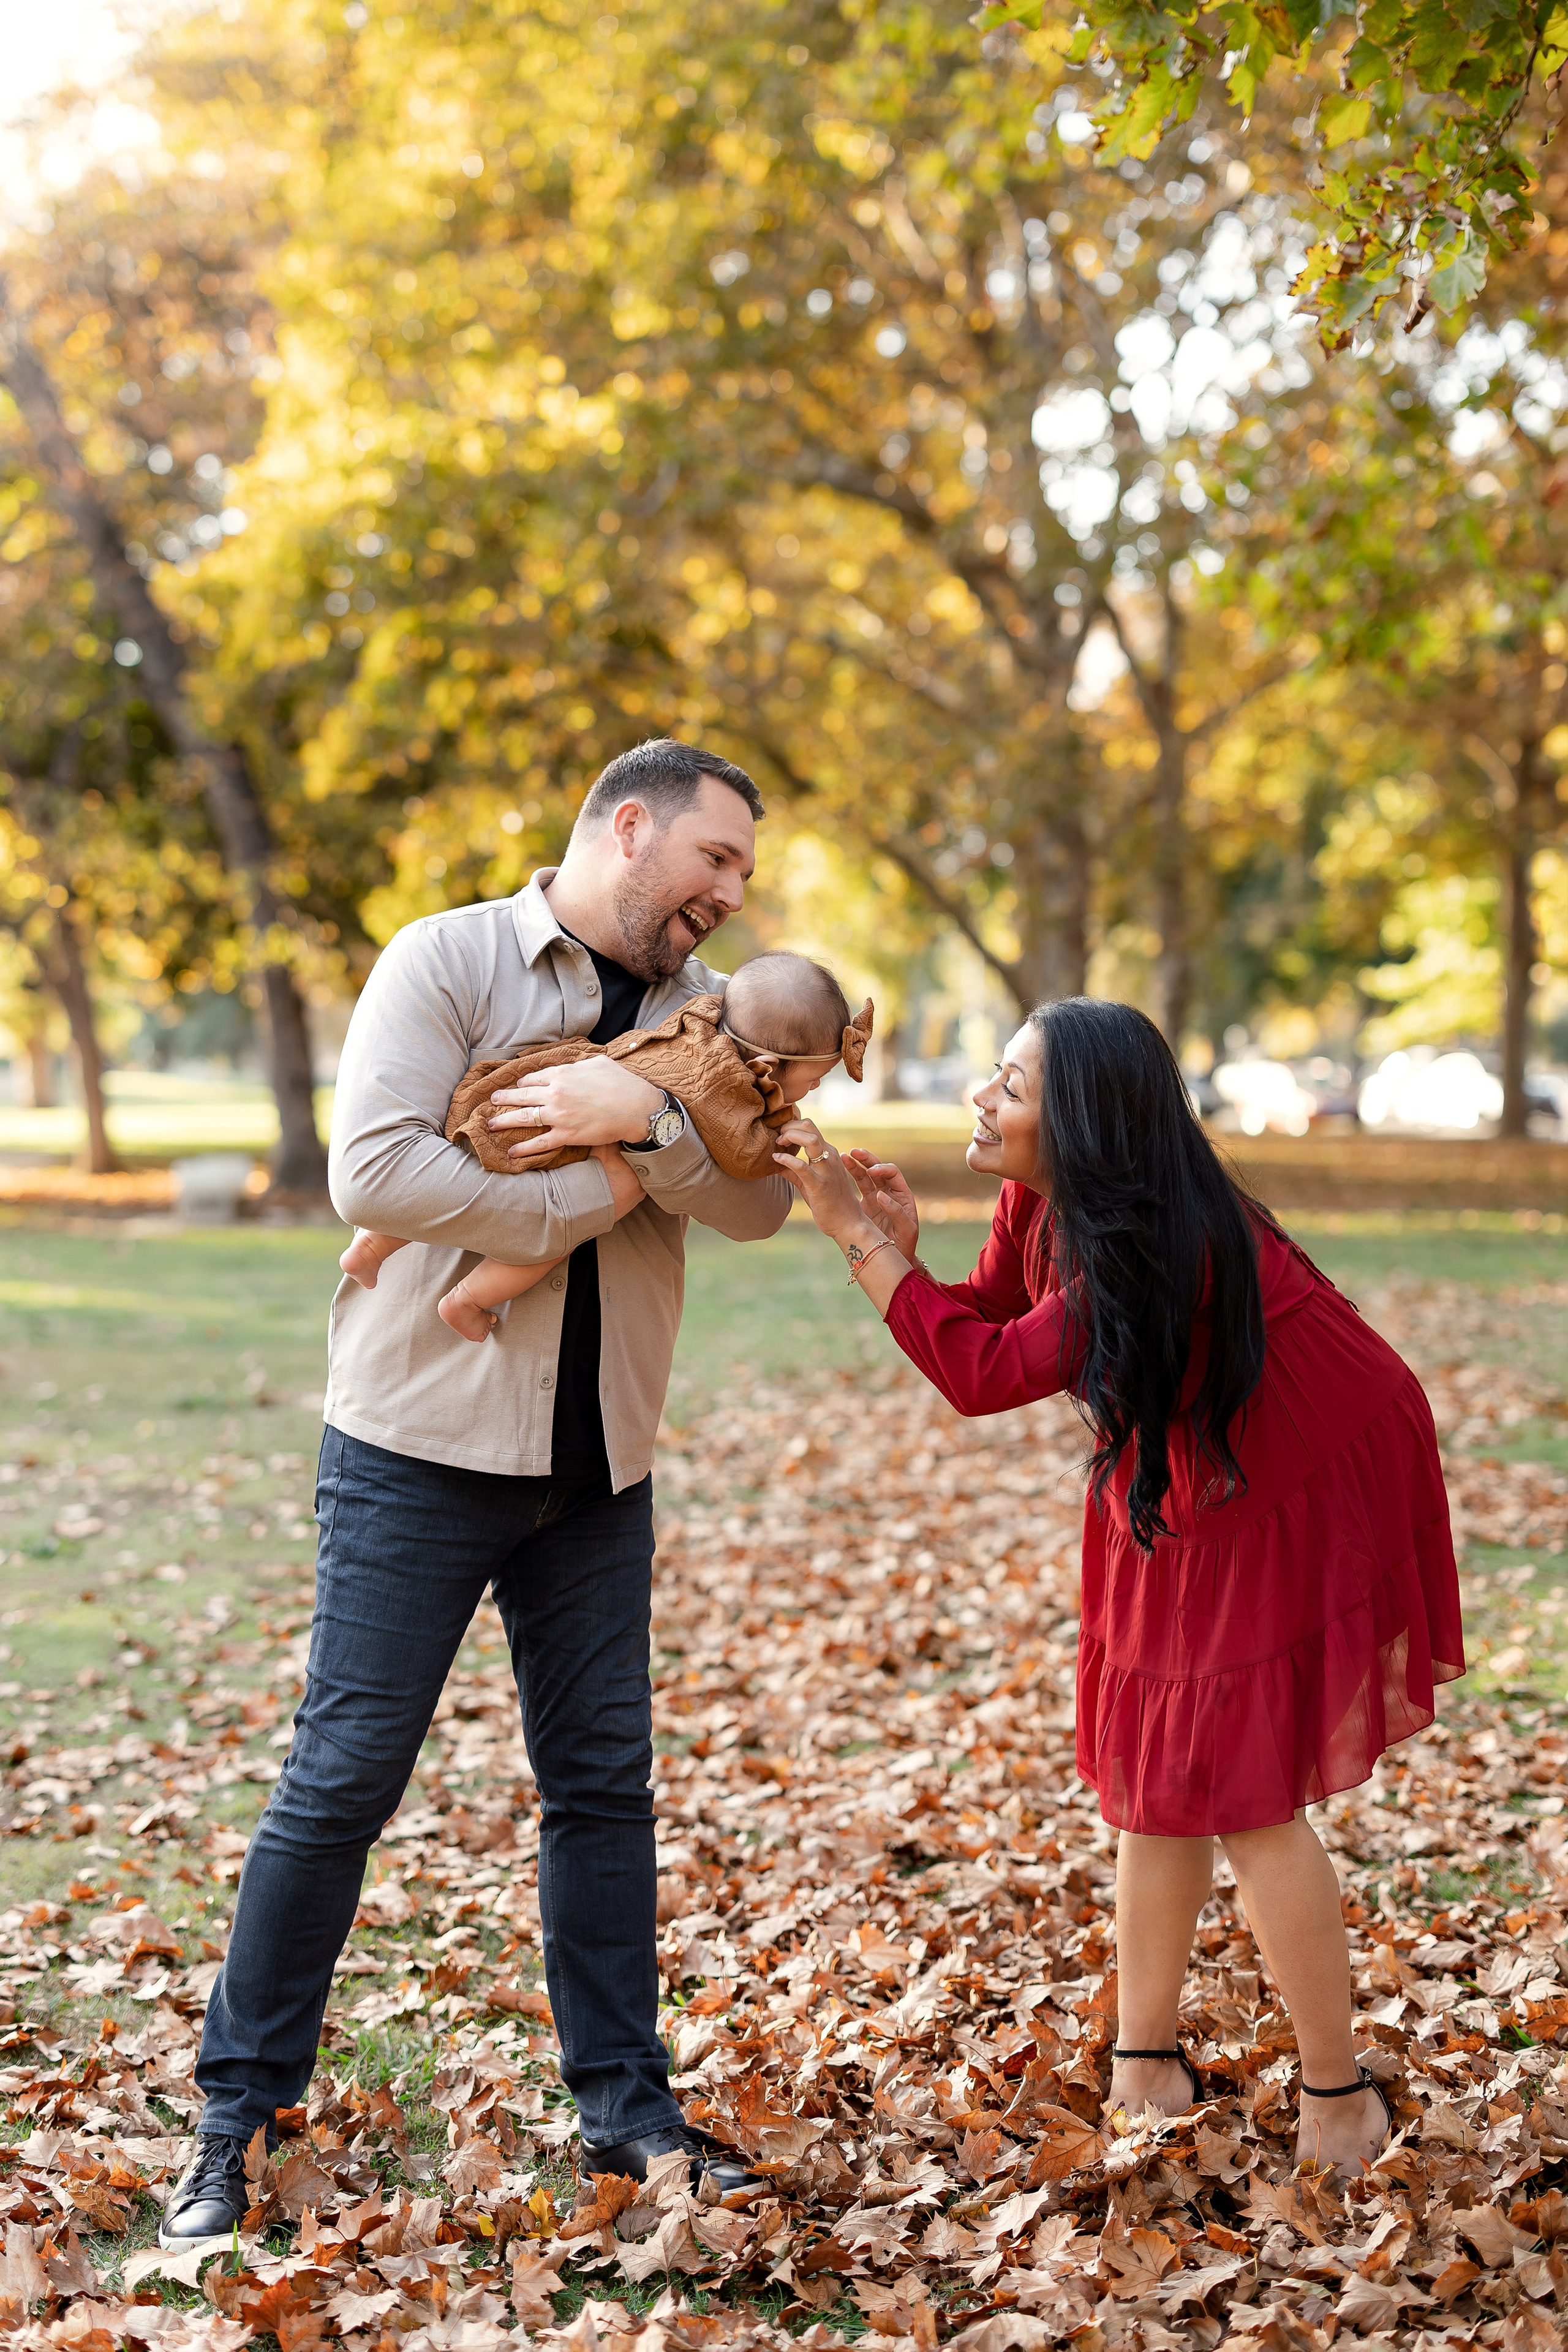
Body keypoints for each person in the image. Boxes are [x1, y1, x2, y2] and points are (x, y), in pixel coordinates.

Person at [160, 739, 797, 2246]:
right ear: (627, 827)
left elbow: (761, 1196)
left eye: (743, 879)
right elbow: (373, 1174)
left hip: (599, 1463)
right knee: (339, 1784)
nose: (726, 896)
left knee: (600, 1789)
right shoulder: (442, 960)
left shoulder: (708, 1019)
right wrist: (586, 1190)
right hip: (413, 1451)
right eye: (712, 861)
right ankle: (235, 2123)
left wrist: (636, 1122)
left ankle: (629, 2115)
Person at [775, 997, 1463, 2176]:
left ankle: (1338, 2092)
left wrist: (855, 1237)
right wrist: (898, 1239)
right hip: (1183, 1465)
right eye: (990, 1076)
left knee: (1244, 1793)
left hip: (1293, 1462)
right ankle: (1145, 2061)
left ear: (1084, 1123)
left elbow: (984, 1376)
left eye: (1009, 1086)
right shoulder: (1045, 1198)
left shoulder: (1150, 1241)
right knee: (1154, 1776)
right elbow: (992, 1318)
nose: (980, 1099)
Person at [338, 953, 873, 1340]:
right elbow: (739, 1153)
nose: (814, 1091)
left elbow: (761, 1216)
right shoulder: (727, 1090)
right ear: (765, 1067)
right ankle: (467, 1301)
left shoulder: (701, 1014)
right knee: (557, 1233)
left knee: (467, 1159)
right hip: (566, 1140)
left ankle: (372, 1245)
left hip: (535, 1089)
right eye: (815, 1078)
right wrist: (779, 1134)